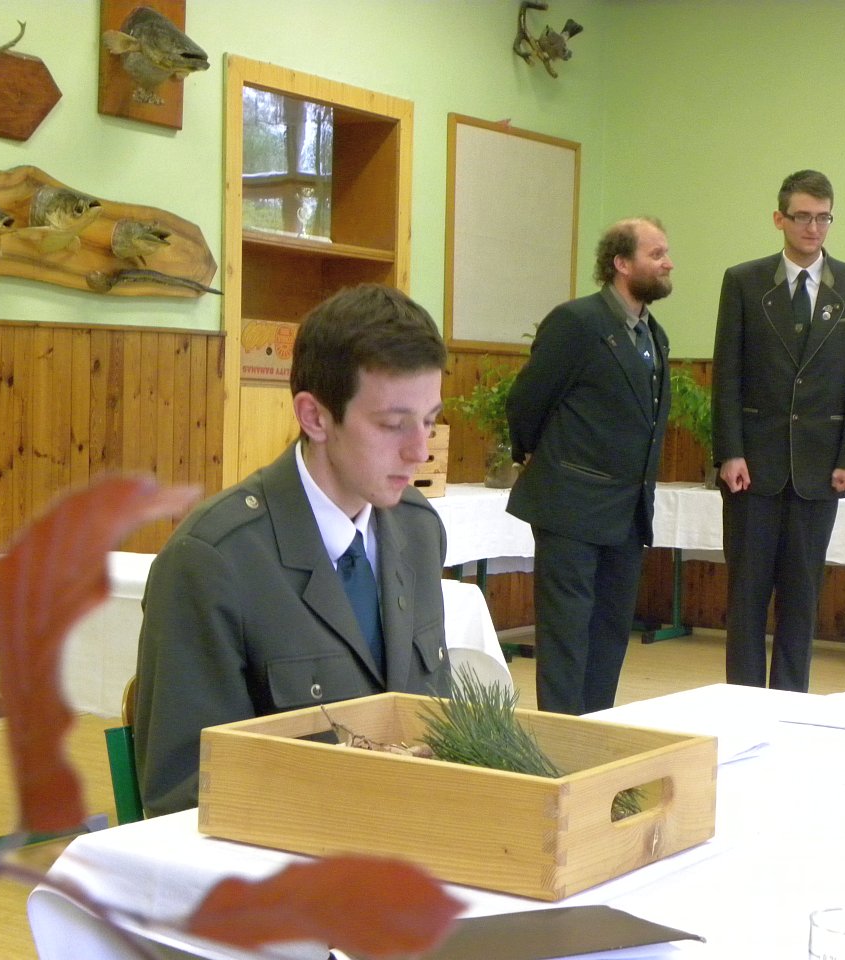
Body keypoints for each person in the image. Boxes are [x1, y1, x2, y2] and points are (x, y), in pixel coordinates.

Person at [134, 284, 450, 815]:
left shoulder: (417, 530)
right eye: (394, 425)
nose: (419, 450)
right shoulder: (213, 560)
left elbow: (435, 723)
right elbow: (185, 792)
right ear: (315, 417)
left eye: (430, 420)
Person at [712, 169, 845, 692]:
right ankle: (742, 700)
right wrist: (730, 451)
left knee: (802, 597)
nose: (813, 228)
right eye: (803, 216)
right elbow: (727, 373)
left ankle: (791, 701)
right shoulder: (743, 282)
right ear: (779, 219)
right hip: (752, 466)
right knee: (746, 595)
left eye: (823, 217)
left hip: (820, 466)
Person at [506, 217, 673, 714]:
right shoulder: (577, 322)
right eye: (656, 254)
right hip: (571, 507)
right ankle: (562, 737)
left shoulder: (654, 336)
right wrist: (538, 456)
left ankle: (596, 730)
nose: (668, 263)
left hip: (626, 511)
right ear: (621, 263)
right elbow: (526, 401)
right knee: (566, 635)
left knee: (610, 632)